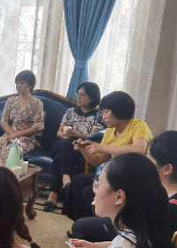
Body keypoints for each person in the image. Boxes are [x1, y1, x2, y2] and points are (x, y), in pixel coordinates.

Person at [69, 130, 177, 243]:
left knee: (83, 226)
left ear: (167, 169)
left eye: (149, 157)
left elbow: (138, 244)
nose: (145, 161)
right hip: (133, 243)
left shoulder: (171, 210)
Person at [64, 91, 153, 221]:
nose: (103, 116)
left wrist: (102, 147)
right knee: (78, 181)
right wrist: (83, 150)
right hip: (113, 176)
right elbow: (99, 161)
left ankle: (97, 225)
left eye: (106, 112)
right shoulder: (110, 131)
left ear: (119, 111)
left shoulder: (138, 126)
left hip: (131, 179)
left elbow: (138, 150)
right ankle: (78, 223)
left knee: (88, 192)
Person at [44, 82, 105, 211]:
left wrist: (75, 134)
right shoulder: (70, 111)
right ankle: (66, 179)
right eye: (78, 94)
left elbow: (93, 137)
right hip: (63, 144)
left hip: (82, 147)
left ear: (92, 98)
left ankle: (54, 193)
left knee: (68, 147)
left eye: (82, 95)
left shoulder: (99, 116)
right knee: (68, 143)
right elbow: (59, 133)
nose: (78, 97)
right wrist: (67, 135)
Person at [0, 70, 45, 162]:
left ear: (30, 85)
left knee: (12, 150)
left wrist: (17, 136)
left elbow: (38, 127)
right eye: (17, 83)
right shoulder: (11, 101)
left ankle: (3, 170)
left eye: (22, 83)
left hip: (26, 139)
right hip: (9, 135)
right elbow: (3, 121)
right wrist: (12, 135)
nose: (18, 85)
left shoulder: (37, 103)